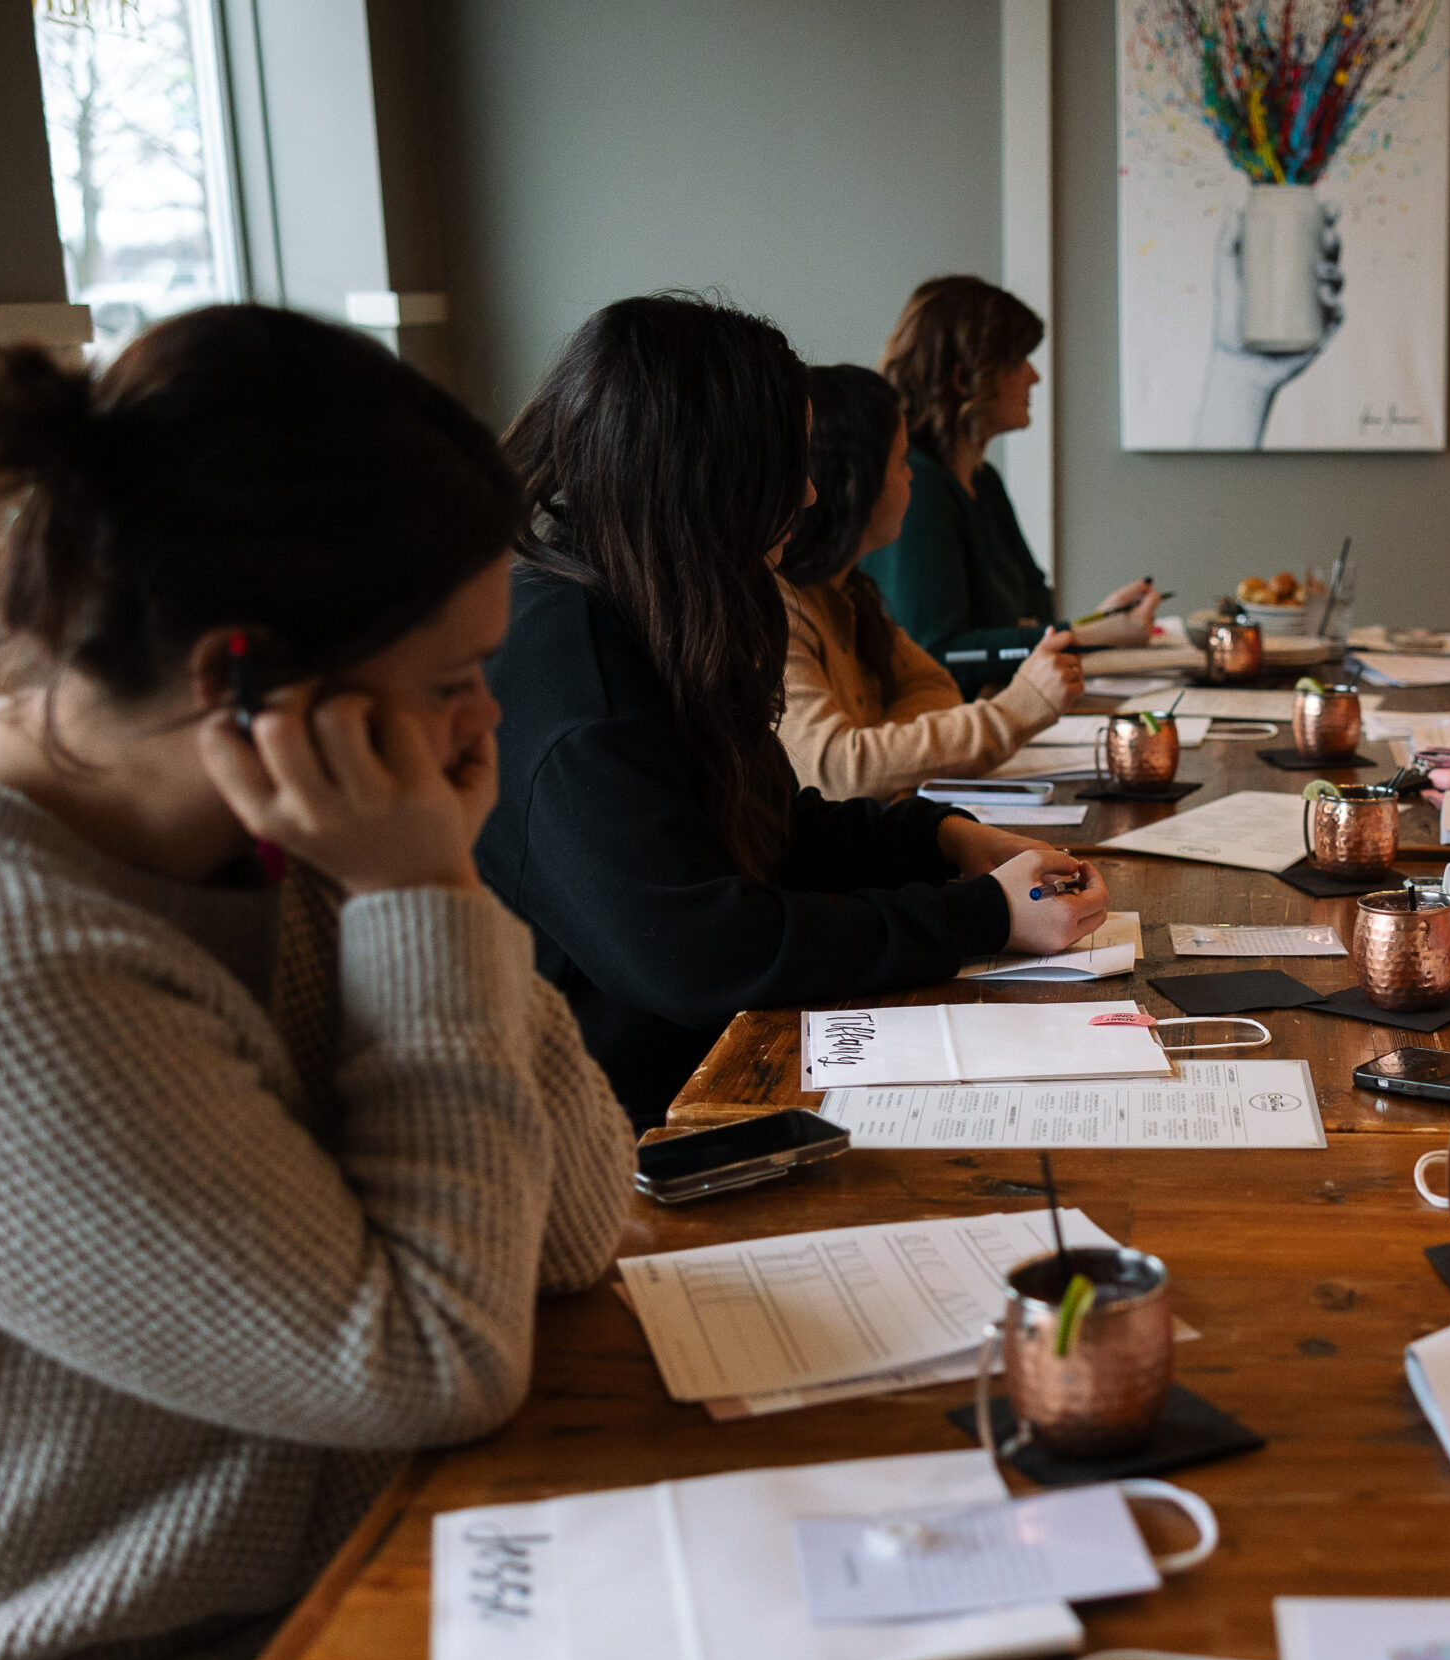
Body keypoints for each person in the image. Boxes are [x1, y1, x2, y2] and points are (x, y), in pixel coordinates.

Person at [0, 306, 632, 1660]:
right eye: (450, 684)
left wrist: (435, 887)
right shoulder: (3, 964)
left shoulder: (303, 835)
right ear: (243, 679)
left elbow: (573, 1227)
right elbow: (435, 1361)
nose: (487, 723)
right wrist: (421, 894)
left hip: (395, 1564)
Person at [476, 295, 1110, 1129]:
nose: (808, 492)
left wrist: (943, 839)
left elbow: (771, 826)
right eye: (786, 463)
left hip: (713, 1067)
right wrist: (984, 915)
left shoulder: (647, 603)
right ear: (707, 472)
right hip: (630, 1139)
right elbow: (703, 951)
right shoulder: (572, 666)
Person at [774, 364, 1082, 799]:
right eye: (901, 462)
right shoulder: (779, 607)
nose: (912, 476)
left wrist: (880, 749)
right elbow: (835, 770)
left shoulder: (849, 593)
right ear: (854, 483)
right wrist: (1019, 708)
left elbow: (936, 687)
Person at [863, 276, 1159, 693]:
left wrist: (1099, 623)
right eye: (1019, 361)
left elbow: (1032, 615)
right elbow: (939, 653)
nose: (1034, 377)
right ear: (964, 379)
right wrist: (1090, 634)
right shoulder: (918, 488)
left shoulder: (983, 481)